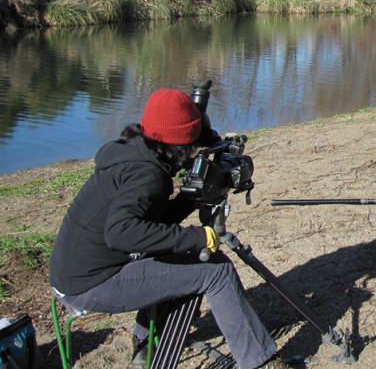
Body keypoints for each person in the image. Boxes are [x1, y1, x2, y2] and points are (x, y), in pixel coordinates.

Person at [49, 89, 288, 369]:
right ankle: (260, 362)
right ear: (180, 143)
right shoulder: (149, 176)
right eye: (192, 146)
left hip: (77, 272)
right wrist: (196, 237)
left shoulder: (135, 153)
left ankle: (145, 345)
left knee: (179, 260)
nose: (192, 155)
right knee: (216, 270)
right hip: (91, 283)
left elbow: (150, 225)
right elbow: (121, 233)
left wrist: (190, 199)